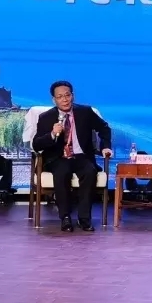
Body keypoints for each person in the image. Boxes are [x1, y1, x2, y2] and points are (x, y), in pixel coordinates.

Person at [32, 81, 112, 232]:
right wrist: (52, 134)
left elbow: (104, 128)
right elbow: (36, 144)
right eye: (60, 97)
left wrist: (105, 146)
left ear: (72, 96)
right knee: (62, 172)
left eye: (67, 95)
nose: (64, 99)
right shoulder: (46, 117)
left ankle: (84, 218)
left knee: (89, 171)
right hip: (58, 158)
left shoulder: (85, 112)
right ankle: (65, 217)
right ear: (54, 100)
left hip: (81, 156)